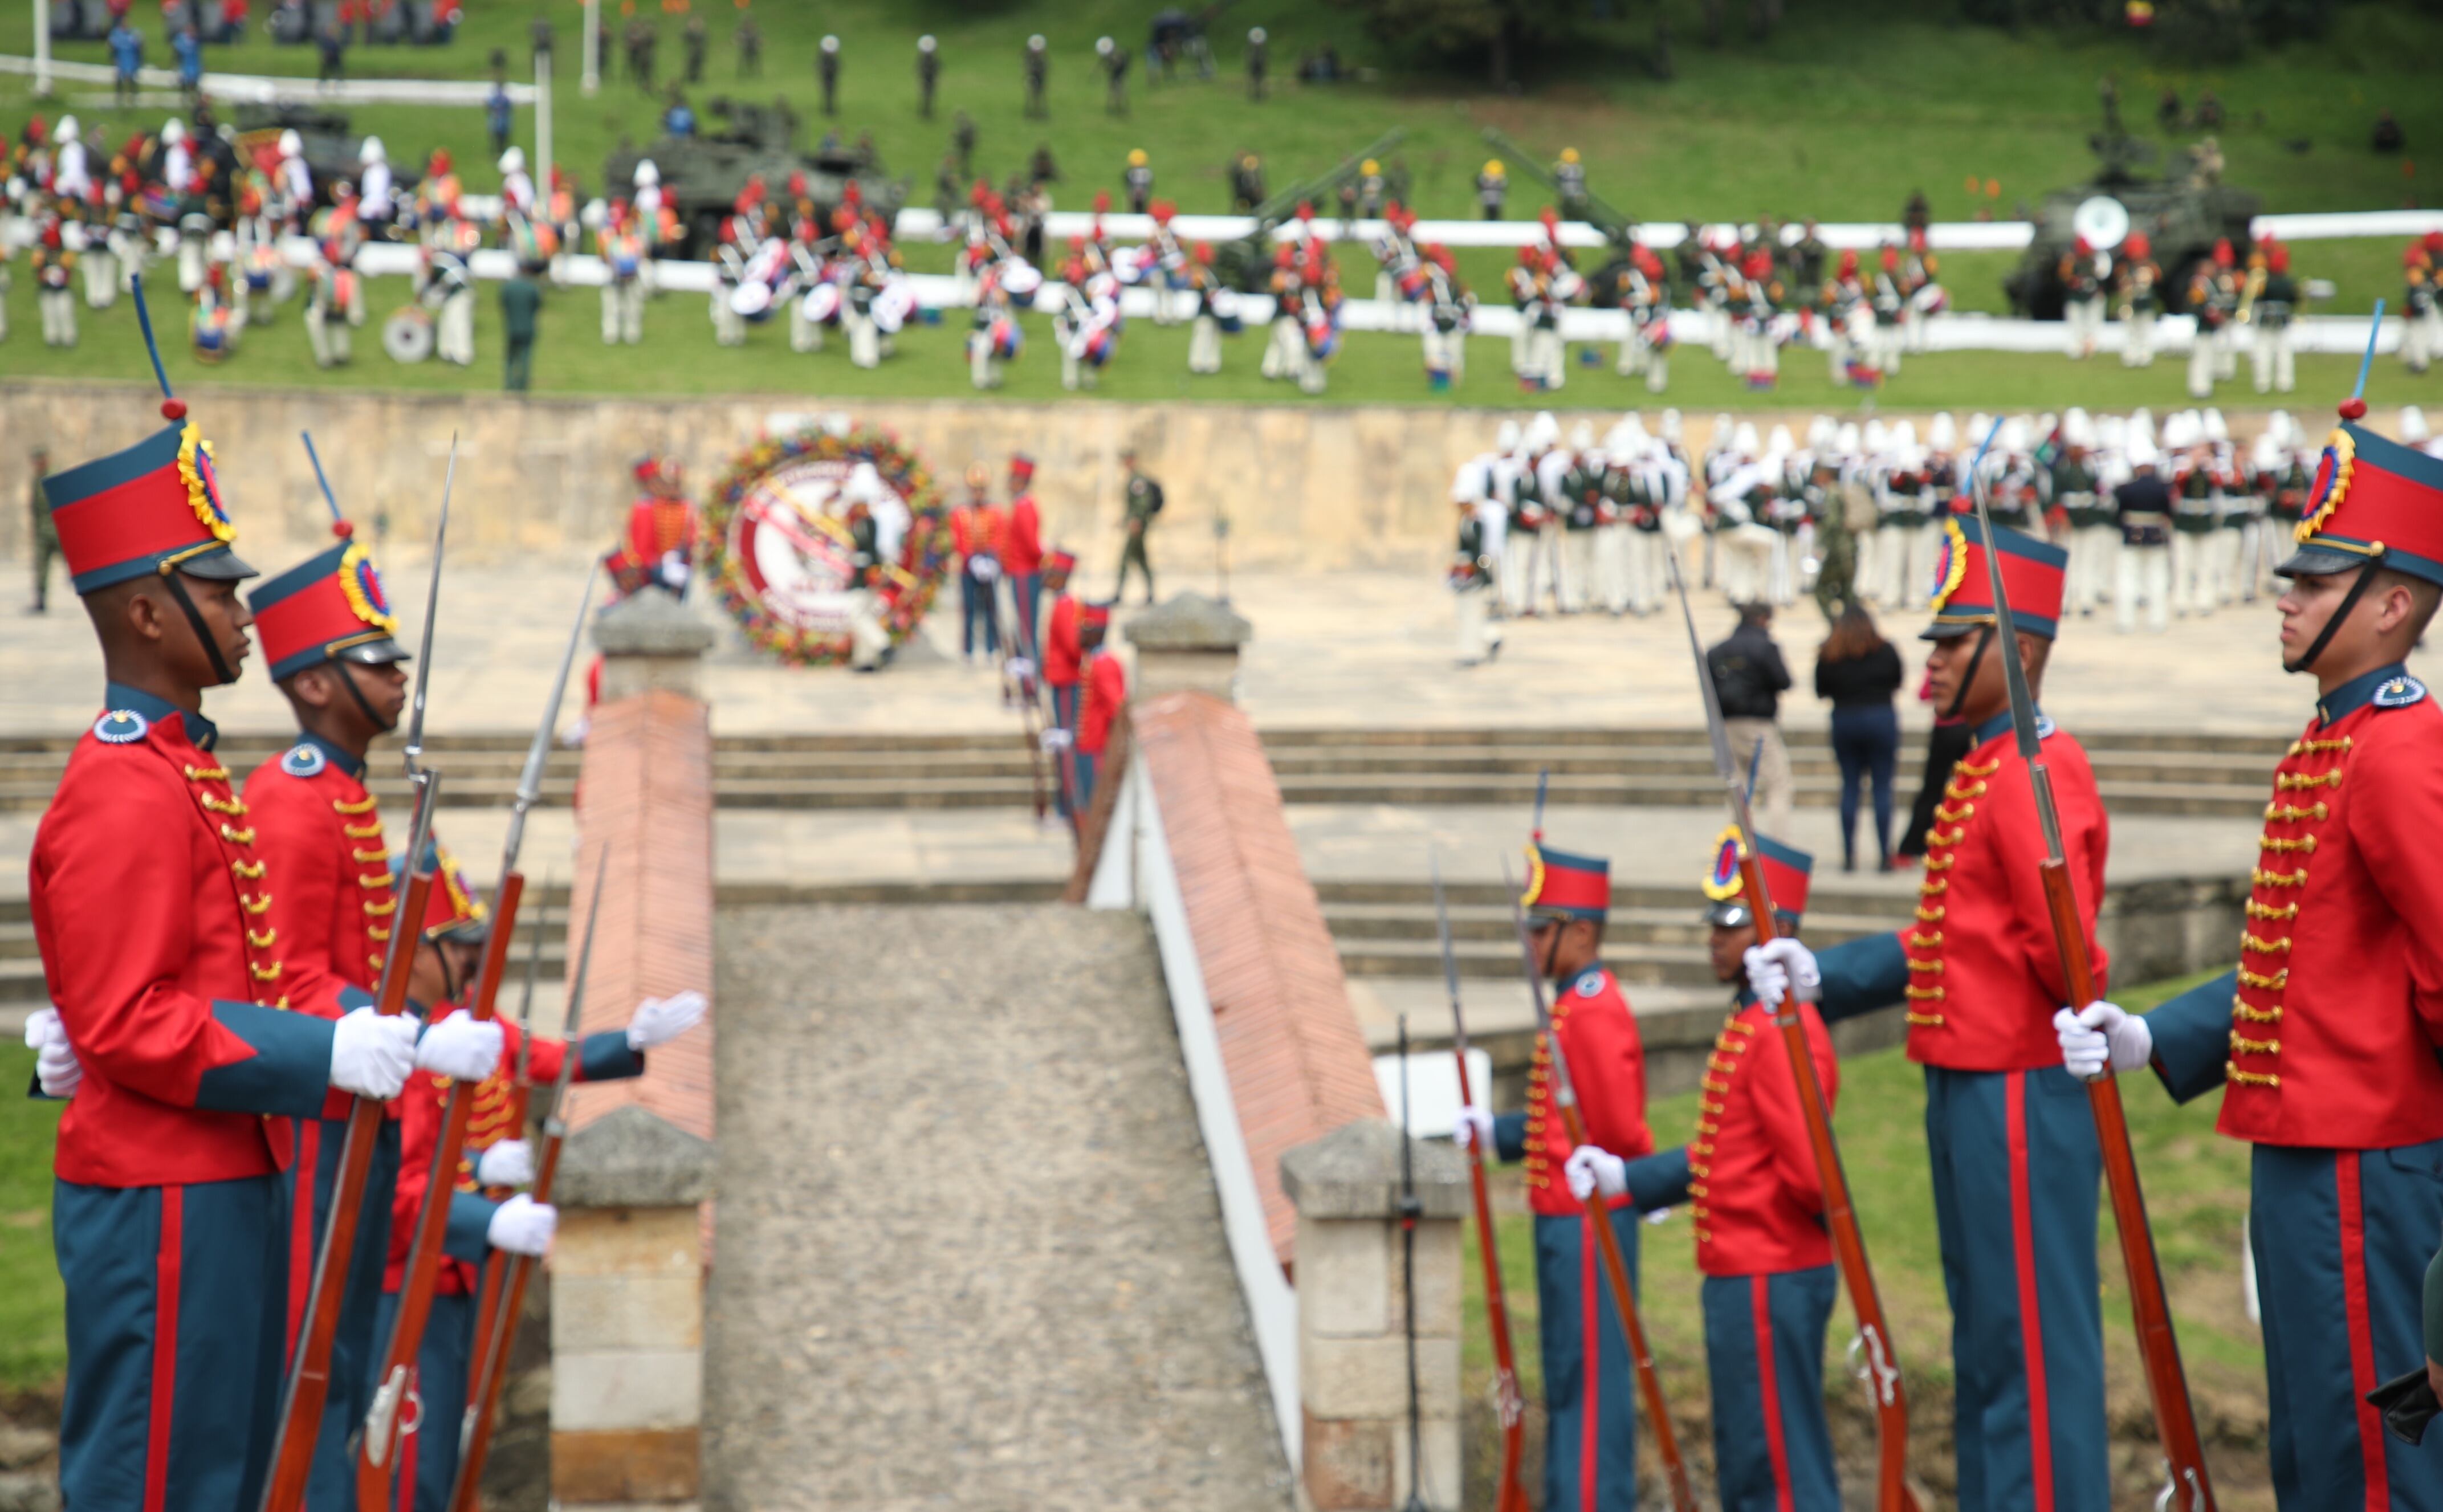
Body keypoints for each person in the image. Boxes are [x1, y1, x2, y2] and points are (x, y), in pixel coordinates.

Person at [28, 354, 429, 1512]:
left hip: (219, 1169)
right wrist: (324, 1050)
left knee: (232, 1472)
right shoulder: (128, 786)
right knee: (161, 1480)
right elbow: (129, 1015)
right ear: (147, 611)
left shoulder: (181, 770)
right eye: (216, 592)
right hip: (163, 1188)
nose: (244, 612)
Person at [2061, 385, 2443, 1512]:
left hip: (2366, 1162)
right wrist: (2152, 1033)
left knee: (2371, 1469)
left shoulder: (2394, 751)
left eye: (2314, 585)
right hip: (2311, 1155)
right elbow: (2302, 965)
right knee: (2314, 1451)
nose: (2286, 603)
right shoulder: (2336, 741)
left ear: (2388, 606)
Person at [1753, 517, 2111, 1512]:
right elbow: (1954, 944)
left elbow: (2065, 955)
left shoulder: (2036, 767)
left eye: (1959, 640)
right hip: (1965, 1087)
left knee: (2034, 1344)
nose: (1936, 661)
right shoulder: (1988, 766)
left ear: (2023, 649)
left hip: (2018, 1095)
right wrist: (1826, 973)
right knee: (1989, 1337)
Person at [365, 843, 696, 1512]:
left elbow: (536, 1055)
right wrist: (485, 1208)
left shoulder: (457, 1027)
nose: (469, 962)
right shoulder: (381, 1044)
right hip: (399, 1280)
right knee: (407, 1464)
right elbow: (393, 1189)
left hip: (454, 1270)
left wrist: (629, 1040)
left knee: (452, 1452)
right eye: (453, 947)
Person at [241, 517, 428, 1512]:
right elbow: (284, 976)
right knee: (309, 1359)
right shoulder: (292, 794)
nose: (397, 679)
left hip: (361, 1109)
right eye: (375, 661)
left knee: (349, 1358)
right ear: (314, 682)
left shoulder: (346, 792)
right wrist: (397, 1025)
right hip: (314, 1119)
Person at [1575, 837, 1840, 1512]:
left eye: (1732, 924)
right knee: (1750, 1465)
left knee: (1779, 1475)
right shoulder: (1751, 1022)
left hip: (1768, 1274)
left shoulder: (1782, 1026)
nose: (1714, 941)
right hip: (1744, 1274)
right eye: (1714, 925)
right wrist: (1628, 1180)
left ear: (1777, 930)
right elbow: (1727, 1155)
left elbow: (1810, 1175)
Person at [1452, 843, 1654, 1512]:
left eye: (1542, 929)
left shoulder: (1591, 1009)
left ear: (1582, 932)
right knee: (1568, 1384)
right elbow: (1559, 1117)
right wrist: (1496, 1131)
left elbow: (1618, 1132)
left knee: (1590, 1394)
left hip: (1589, 1226)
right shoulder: (1568, 1005)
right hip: (1562, 1223)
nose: (1530, 941)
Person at [1816, 605, 1904, 872]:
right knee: (1882, 787)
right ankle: (1884, 855)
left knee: (1850, 786)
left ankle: (1849, 855)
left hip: (1845, 718)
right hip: (1880, 717)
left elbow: (1820, 689)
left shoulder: (1831, 652)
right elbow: (1897, 680)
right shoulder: (1885, 649)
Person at [1708, 602, 1794, 839]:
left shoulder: (1718, 651)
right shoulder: (1765, 648)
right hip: (1759, 722)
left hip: (1728, 724)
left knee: (1738, 787)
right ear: (1763, 619)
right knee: (1778, 783)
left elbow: (1710, 689)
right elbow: (1784, 681)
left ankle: (1737, 843)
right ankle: (1780, 843)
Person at [2114, 431, 2172, 634]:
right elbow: (2168, 512)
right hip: (2155, 533)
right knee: (2157, 578)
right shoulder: (2162, 487)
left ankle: (2125, 621)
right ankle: (2158, 620)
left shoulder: (2127, 488)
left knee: (2128, 578)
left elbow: (2119, 514)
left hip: (2132, 534)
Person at [950, 463, 1005, 665]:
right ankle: (968, 650)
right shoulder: (961, 513)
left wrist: (991, 558)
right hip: (968, 566)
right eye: (975, 489)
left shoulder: (995, 512)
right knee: (970, 609)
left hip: (989, 564)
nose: (978, 494)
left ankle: (992, 648)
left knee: (991, 608)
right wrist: (971, 558)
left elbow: (999, 537)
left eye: (981, 489)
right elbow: (958, 538)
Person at [1073, 604, 1125, 809]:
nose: (1078, 633)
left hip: (1097, 748)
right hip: (1089, 745)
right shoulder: (1094, 661)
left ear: (1095, 633)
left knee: (1095, 807)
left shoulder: (1104, 664)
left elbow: (1116, 707)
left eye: (1083, 629)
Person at [1449, 494, 1500, 666]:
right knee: (1467, 614)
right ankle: (1491, 639)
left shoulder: (1479, 524)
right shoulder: (1465, 523)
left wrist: (1477, 569)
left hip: (1477, 576)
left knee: (1473, 614)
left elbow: (1484, 554)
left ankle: (1473, 652)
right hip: (1467, 575)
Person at [1003, 454, 1046, 657]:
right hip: (1022, 572)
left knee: (1027, 627)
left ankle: (1032, 668)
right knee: (1025, 625)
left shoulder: (1024, 506)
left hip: (1025, 573)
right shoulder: (1022, 505)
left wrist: (1045, 557)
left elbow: (1031, 544)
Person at [1115, 449, 1162, 604]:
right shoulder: (1134, 478)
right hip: (1137, 524)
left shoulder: (1137, 479)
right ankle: (1150, 594)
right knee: (1142, 560)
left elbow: (1142, 502)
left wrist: (1137, 521)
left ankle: (1119, 594)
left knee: (1126, 559)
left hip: (1138, 526)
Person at [499, 259, 543, 391]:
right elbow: (537, 306)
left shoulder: (508, 287)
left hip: (512, 326)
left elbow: (503, 304)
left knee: (510, 357)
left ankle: (509, 383)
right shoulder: (532, 288)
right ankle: (522, 385)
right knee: (525, 357)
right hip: (528, 326)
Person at [27, 448, 57, 613]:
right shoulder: (36, 480)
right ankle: (41, 599)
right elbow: (35, 509)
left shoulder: (54, 477)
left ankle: (90, 592)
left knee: (75, 563)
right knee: (41, 567)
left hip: (58, 531)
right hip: (42, 533)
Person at [1024, 34, 1048, 119]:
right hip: (1032, 77)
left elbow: (1045, 67)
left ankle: (1040, 112)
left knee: (1040, 94)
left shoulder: (1042, 59)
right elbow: (1027, 67)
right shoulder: (1029, 58)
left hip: (1040, 76)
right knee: (1031, 94)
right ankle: (1031, 112)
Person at [916, 34, 939, 117]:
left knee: (928, 95)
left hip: (930, 79)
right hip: (926, 79)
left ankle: (927, 111)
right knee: (926, 95)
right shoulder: (924, 59)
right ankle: (925, 111)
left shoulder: (931, 59)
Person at [818, 34, 840, 117]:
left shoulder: (833, 58)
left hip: (832, 76)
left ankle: (830, 108)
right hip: (826, 76)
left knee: (831, 92)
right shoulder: (824, 58)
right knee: (828, 92)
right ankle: (829, 109)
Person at [1245, 27, 1267, 100]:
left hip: (1258, 65)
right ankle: (1254, 93)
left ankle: (1258, 93)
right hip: (1255, 65)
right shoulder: (1253, 51)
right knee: (1255, 80)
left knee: (1259, 80)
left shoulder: (1260, 51)